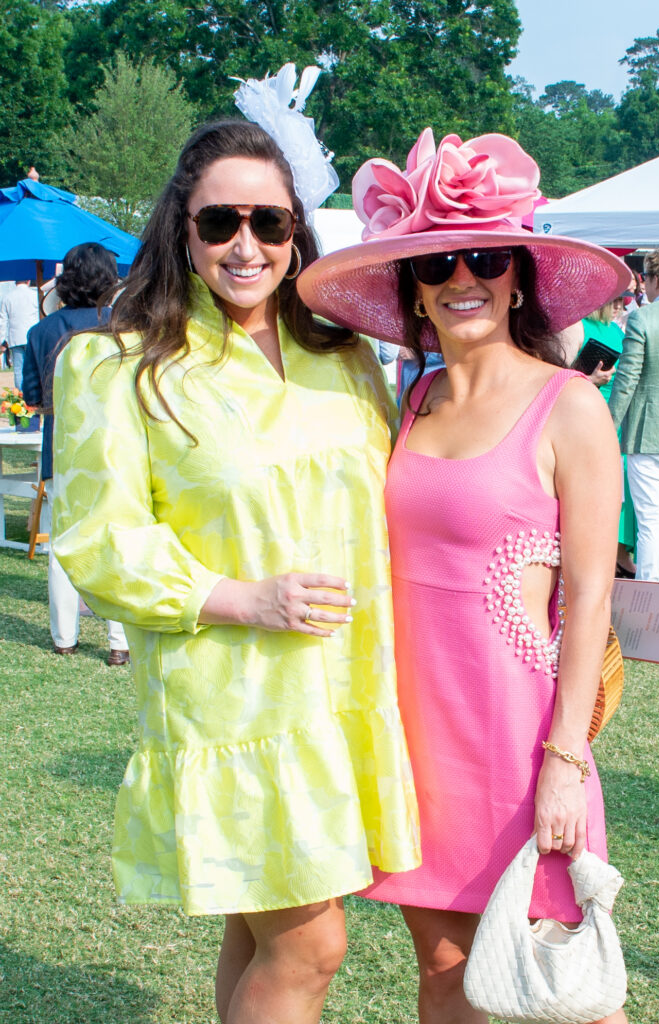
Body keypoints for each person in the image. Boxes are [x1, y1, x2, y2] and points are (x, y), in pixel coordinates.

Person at [51, 105, 419, 1024]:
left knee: (260, 935)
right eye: (220, 221)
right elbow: (99, 537)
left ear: (297, 233)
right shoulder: (118, 364)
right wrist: (239, 597)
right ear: (183, 230)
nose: (245, 244)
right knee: (311, 942)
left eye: (269, 221)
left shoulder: (343, 359)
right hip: (232, 701)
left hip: (345, 691)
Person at [299, 127, 630, 1024]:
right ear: (412, 288)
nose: (462, 277)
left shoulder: (570, 408)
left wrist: (565, 758)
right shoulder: (409, 399)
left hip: (523, 741)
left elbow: (590, 600)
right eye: (436, 262)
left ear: (517, 274)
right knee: (446, 971)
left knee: (566, 984)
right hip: (416, 738)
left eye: (483, 254)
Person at [22, 243, 130, 664]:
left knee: (62, 547)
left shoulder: (41, 332)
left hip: (61, 448)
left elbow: (33, 396)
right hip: (118, 448)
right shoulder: (125, 326)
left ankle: (64, 637)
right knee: (119, 540)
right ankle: (119, 642)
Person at [608, 248, 659, 581]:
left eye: (646, 276)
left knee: (651, 525)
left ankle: (649, 599)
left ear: (655, 279)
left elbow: (626, 380)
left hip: (647, 434)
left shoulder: (643, 318)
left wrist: (608, 426)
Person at [572, 302, 637, 576]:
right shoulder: (578, 328)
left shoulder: (615, 331)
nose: (617, 306)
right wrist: (589, 378)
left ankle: (619, 554)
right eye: (613, 301)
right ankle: (607, 555)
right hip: (585, 414)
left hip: (614, 420)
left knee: (620, 491)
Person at [0, 280, 39, 387]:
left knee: (18, 369)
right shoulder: (34, 295)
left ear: (15, 282)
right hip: (33, 336)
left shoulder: (7, 297)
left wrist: (2, 340)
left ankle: (20, 396)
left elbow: (3, 321)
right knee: (34, 367)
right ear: (29, 281)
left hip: (15, 337)